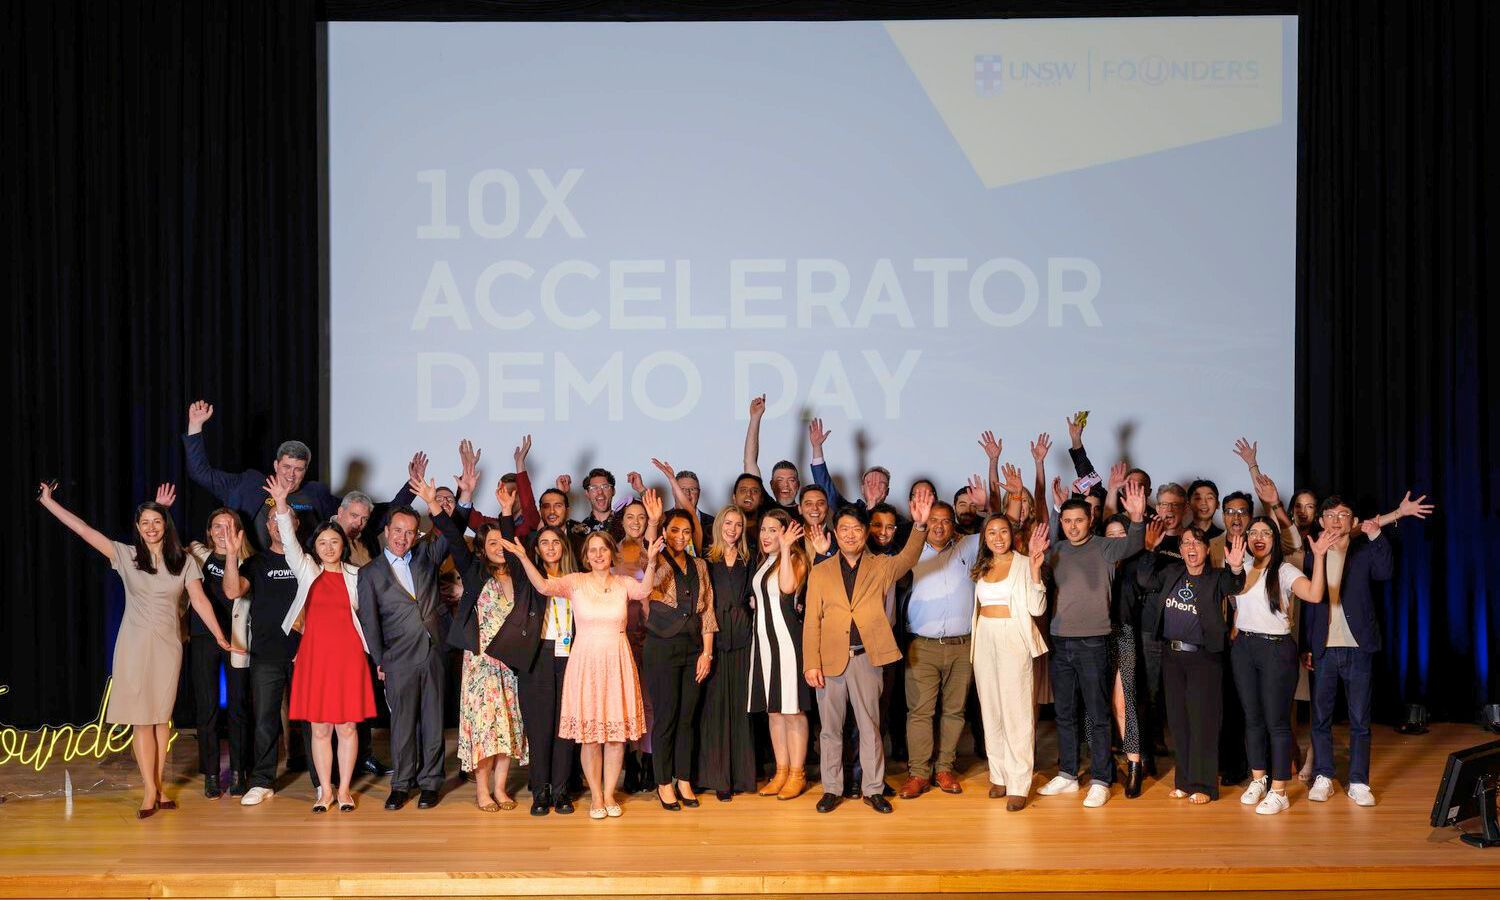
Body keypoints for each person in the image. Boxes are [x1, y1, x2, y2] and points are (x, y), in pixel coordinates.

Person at [37, 482, 233, 818]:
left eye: (157, 522)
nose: (151, 528)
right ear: (137, 528)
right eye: (145, 523)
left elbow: (200, 601)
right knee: (142, 721)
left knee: (161, 719)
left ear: (166, 525)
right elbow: (83, 530)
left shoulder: (184, 561)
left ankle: (159, 785)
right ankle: (150, 790)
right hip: (134, 645)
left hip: (169, 646)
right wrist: (47, 502)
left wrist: (219, 636)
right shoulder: (126, 555)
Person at [500, 530, 661, 819]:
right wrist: (524, 557)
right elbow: (542, 586)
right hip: (585, 662)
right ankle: (596, 796)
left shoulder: (623, 583)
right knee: (590, 737)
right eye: (592, 550)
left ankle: (609, 794)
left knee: (615, 738)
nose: (598, 555)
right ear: (585, 556)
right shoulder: (575, 582)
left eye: (603, 549)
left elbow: (644, 591)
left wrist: (651, 562)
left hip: (617, 661)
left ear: (612, 553)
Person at [804, 494, 933, 815]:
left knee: (870, 727)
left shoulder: (881, 566)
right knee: (830, 730)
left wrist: (919, 526)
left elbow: (909, 558)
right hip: (830, 661)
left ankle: (873, 789)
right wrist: (810, 663)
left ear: (865, 533)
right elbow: (811, 621)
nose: (850, 534)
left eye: (856, 529)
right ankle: (832, 789)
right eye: (844, 529)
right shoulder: (821, 571)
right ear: (835, 533)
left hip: (867, 659)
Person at [1303, 492, 1433, 807]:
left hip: (1359, 648)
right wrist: (1307, 645)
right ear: (1320, 521)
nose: (1336, 520)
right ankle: (1323, 776)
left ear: (1354, 521)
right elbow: (1307, 605)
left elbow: (1385, 572)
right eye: (1330, 515)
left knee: (1360, 719)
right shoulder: (1313, 554)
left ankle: (1359, 781)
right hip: (1323, 648)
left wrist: (1378, 534)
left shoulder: (1363, 550)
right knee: (1320, 718)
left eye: (1343, 514)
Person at [269, 478, 375, 813]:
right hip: (315, 659)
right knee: (319, 729)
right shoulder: (307, 571)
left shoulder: (357, 576)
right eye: (323, 542)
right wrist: (281, 504)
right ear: (315, 546)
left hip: (348, 658)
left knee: (347, 727)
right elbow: (288, 540)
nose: (329, 547)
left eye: (334, 542)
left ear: (343, 545)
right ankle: (324, 791)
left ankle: (344, 791)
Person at [1037, 481, 1146, 808]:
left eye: (1079, 520)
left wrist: (1137, 518)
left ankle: (1101, 779)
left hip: (1094, 641)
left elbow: (1135, 543)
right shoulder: (1056, 551)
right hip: (1061, 641)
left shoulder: (1105, 547)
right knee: (1065, 712)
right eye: (1067, 521)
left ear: (1091, 520)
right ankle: (1068, 774)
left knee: (1098, 713)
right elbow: (1039, 569)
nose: (1073, 527)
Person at [428, 478, 528, 812]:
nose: (499, 547)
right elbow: (454, 537)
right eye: (492, 543)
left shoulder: (518, 573)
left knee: (507, 726)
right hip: (482, 663)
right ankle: (483, 791)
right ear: (482, 548)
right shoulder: (474, 573)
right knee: (485, 728)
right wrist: (433, 505)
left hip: (511, 664)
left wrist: (506, 511)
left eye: (502, 541)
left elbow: (511, 539)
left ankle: (501, 789)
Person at [357, 493, 452, 811]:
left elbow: (450, 532)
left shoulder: (426, 555)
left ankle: (430, 782)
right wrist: (380, 660)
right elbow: (370, 623)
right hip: (397, 658)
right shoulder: (369, 573)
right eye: (398, 530)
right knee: (402, 725)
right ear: (386, 530)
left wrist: (460, 498)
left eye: (410, 532)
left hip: (433, 651)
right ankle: (401, 784)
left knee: (433, 721)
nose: (403, 537)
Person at [1231, 517, 1331, 815]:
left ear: (1275, 539)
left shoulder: (1285, 571)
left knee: (1276, 721)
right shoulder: (1241, 567)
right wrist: (1234, 569)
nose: (1258, 537)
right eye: (1253, 532)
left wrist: (1320, 557)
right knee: (1252, 718)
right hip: (1244, 647)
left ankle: (1279, 790)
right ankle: (1258, 779)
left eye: (1265, 532)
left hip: (1276, 649)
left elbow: (1315, 594)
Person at [1138, 528, 1247, 804]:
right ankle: (1184, 782)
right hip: (1172, 657)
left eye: (1197, 542)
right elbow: (1144, 579)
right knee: (1178, 722)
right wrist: (1150, 550)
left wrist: (1236, 568)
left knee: (1203, 722)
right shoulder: (1171, 572)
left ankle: (1204, 785)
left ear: (1207, 549)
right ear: (1181, 549)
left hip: (1203, 659)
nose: (1191, 547)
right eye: (1186, 542)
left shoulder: (1216, 577)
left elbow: (1234, 585)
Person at [484, 522, 579, 816]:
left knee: (565, 728)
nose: (550, 547)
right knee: (539, 728)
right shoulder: (528, 577)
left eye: (556, 542)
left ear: (564, 547)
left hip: (571, 656)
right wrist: (506, 513)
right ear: (536, 549)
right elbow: (513, 554)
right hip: (538, 657)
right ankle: (540, 791)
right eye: (544, 542)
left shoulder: (577, 580)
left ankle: (561, 791)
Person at [899, 500, 982, 800]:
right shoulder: (912, 550)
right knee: (920, 712)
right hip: (922, 647)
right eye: (933, 519)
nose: (939, 525)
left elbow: (1004, 525)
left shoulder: (967, 548)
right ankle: (919, 773)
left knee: (954, 711)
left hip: (962, 646)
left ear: (953, 524)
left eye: (946, 520)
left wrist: (999, 499)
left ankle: (945, 768)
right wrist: (918, 526)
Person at [223, 495, 303, 807]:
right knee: (265, 720)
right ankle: (262, 781)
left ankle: (320, 781)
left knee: (311, 720)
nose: (279, 525)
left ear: (295, 523)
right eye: (273, 520)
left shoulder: (306, 561)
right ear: (268, 527)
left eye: (285, 518)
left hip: (305, 654)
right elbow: (232, 591)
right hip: (266, 655)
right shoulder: (256, 563)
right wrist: (232, 555)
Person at [969, 515, 1050, 811]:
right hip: (985, 638)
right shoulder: (982, 566)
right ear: (985, 538)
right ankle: (999, 775)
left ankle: (1018, 782)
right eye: (991, 532)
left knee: (1017, 711)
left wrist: (1036, 571)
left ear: (1012, 534)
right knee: (991, 709)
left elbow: (1036, 608)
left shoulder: (1024, 563)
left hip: (1013, 637)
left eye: (1003, 531)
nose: (998, 537)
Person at [643, 509, 718, 810]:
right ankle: (663, 782)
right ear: (664, 532)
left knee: (688, 718)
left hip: (692, 648)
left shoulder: (700, 565)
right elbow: (649, 579)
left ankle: (684, 779)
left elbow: (708, 610)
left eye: (686, 531)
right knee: (666, 717)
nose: (680, 537)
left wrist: (707, 653)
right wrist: (652, 524)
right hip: (661, 647)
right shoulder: (655, 560)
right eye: (674, 530)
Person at [185, 506, 254, 799]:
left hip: (237, 640)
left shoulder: (249, 562)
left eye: (229, 526)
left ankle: (239, 772)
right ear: (209, 532)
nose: (223, 532)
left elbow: (233, 592)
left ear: (239, 531)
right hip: (204, 638)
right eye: (217, 526)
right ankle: (211, 775)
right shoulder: (197, 556)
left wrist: (233, 555)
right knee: (207, 708)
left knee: (238, 707)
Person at [748, 509, 813, 801]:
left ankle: (797, 773)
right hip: (764, 643)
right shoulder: (764, 562)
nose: (766, 535)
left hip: (787, 642)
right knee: (774, 710)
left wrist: (786, 549)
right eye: (763, 529)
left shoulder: (795, 559)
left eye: (773, 530)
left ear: (786, 533)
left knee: (791, 710)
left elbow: (787, 588)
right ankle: (781, 771)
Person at [697, 506, 757, 800]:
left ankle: (741, 776)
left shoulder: (750, 558)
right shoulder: (706, 559)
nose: (732, 529)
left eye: (738, 525)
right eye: (728, 523)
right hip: (714, 637)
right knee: (714, 710)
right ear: (719, 525)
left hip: (744, 637)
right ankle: (717, 776)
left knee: (741, 709)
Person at [743, 394, 800, 510]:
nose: (785, 485)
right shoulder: (766, 507)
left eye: (791, 480)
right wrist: (755, 418)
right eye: (779, 480)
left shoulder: (807, 513)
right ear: (771, 485)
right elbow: (749, 461)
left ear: (798, 485)